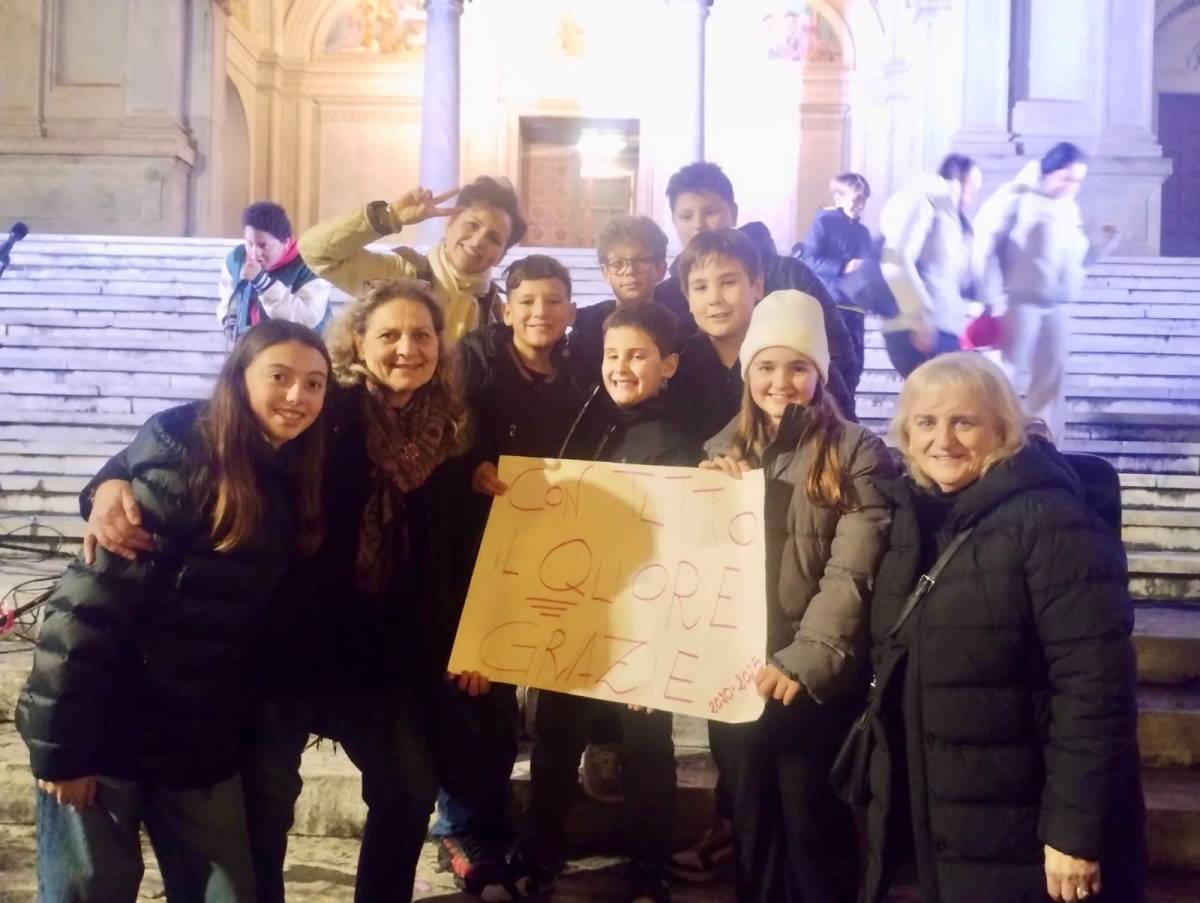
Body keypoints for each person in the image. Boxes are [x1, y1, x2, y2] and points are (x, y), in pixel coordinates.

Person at [82, 280, 468, 903]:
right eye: (390, 334)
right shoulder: (320, 408)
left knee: (408, 788)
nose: (407, 348)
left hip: (380, 658)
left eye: (422, 334)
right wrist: (108, 483)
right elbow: (198, 433)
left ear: (441, 345)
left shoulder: (453, 432)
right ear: (358, 342)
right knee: (266, 805)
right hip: (284, 648)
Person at [17, 320, 332, 903]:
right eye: (280, 377)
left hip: (197, 738)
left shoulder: (289, 470)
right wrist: (63, 752)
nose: (298, 396)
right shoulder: (187, 459)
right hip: (107, 732)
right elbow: (86, 611)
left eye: (315, 384)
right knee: (89, 892)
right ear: (239, 379)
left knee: (226, 890)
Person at [862, 352, 1144, 903]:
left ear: (1002, 429)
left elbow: (1096, 689)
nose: (943, 439)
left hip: (1028, 833)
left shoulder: (1050, 522)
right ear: (906, 434)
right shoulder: (915, 520)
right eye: (926, 421)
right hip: (953, 824)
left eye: (964, 421)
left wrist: (1074, 832)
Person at [700, 290, 893, 902]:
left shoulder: (856, 451)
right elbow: (695, 570)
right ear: (747, 372)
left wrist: (806, 660)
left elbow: (854, 570)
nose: (780, 381)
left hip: (810, 681)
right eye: (766, 366)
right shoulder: (719, 452)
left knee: (813, 826)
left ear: (820, 374)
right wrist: (702, 501)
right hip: (736, 675)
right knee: (751, 824)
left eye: (798, 366)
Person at [508, 302, 703, 903]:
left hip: (642, 619)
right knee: (555, 735)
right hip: (575, 612)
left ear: (668, 365)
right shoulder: (585, 420)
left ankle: (649, 866)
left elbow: (681, 547)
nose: (621, 367)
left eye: (638, 355)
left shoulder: (678, 440)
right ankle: (539, 853)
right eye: (612, 354)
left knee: (647, 744)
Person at [432, 253, 584, 897]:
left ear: (571, 310)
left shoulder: (581, 375)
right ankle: (464, 830)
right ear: (505, 308)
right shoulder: (473, 365)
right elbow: (440, 436)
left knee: (545, 706)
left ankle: (525, 837)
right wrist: (467, 468)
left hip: (557, 551)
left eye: (552, 301)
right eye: (527, 301)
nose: (539, 313)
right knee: (479, 696)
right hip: (479, 548)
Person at [655, 161, 858, 415]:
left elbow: (837, 353)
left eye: (710, 212)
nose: (699, 224)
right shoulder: (668, 297)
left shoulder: (790, 276)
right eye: (686, 216)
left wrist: (825, 408)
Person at [972, 142, 1120, 443]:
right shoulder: (1015, 197)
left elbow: (1077, 260)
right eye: (1066, 178)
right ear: (1049, 171)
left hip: (1056, 305)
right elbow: (984, 247)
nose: (1071, 187)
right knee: (1006, 374)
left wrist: (1102, 244)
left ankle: (1046, 443)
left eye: (1077, 181)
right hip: (1017, 302)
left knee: (1051, 379)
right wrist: (990, 298)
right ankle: (993, 439)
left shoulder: (1068, 209)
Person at [298, 177, 528, 344]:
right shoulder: (402, 276)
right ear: (449, 223)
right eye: (472, 225)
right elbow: (316, 253)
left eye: (494, 239)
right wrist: (390, 217)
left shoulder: (493, 310)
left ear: (501, 255)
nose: (478, 241)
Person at [878, 154, 983, 377]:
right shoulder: (927, 201)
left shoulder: (953, 220)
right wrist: (919, 317)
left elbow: (945, 277)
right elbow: (894, 260)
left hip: (943, 326)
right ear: (955, 181)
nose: (974, 196)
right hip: (918, 328)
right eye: (971, 186)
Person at [670, 228, 764, 446]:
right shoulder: (675, 368)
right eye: (700, 287)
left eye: (728, 282)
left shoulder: (792, 359)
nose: (714, 298)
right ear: (688, 299)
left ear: (757, 286)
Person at [796, 172, 874, 397]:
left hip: (856, 307)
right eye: (856, 199)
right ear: (839, 198)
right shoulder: (824, 223)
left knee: (855, 367)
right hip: (833, 306)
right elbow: (807, 259)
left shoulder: (863, 232)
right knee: (834, 367)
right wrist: (844, 266)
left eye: (864, 200)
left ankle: (848, 410)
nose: (860, 205)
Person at [569, 214, 670, 386]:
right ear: (605, 272)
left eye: (641, 260)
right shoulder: (587, 330)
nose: (630, 271)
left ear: (660, 269)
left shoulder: (676, 329)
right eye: (617, 263)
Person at [218, 201, 332, 341]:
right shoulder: (236, 260)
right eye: (249, 243)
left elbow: (306, 318)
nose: (254, 253)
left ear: (285, 242)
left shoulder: (310, 266)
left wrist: (263, 284)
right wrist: (230, 321)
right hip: (256, 347)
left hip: (306, 349)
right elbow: (227, 299)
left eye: (263, 246)